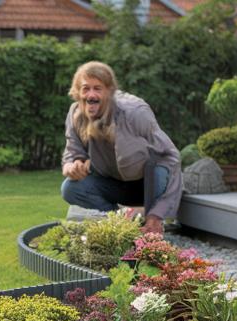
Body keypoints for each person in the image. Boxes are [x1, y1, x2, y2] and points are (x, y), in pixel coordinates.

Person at [60, 61, 182, 235]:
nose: (91, 95)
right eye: (86, 88)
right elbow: (72, 152)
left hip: (147, 185)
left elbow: (171, 157)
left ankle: (153, 222)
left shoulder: (135, 112)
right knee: (71, 188)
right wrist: (72, 166)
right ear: (77, 92)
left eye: (98, 88)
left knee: (159, 167)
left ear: (110, 91)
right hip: (112, 185)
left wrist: (158, 213)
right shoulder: (76, 114)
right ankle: (119, 223)